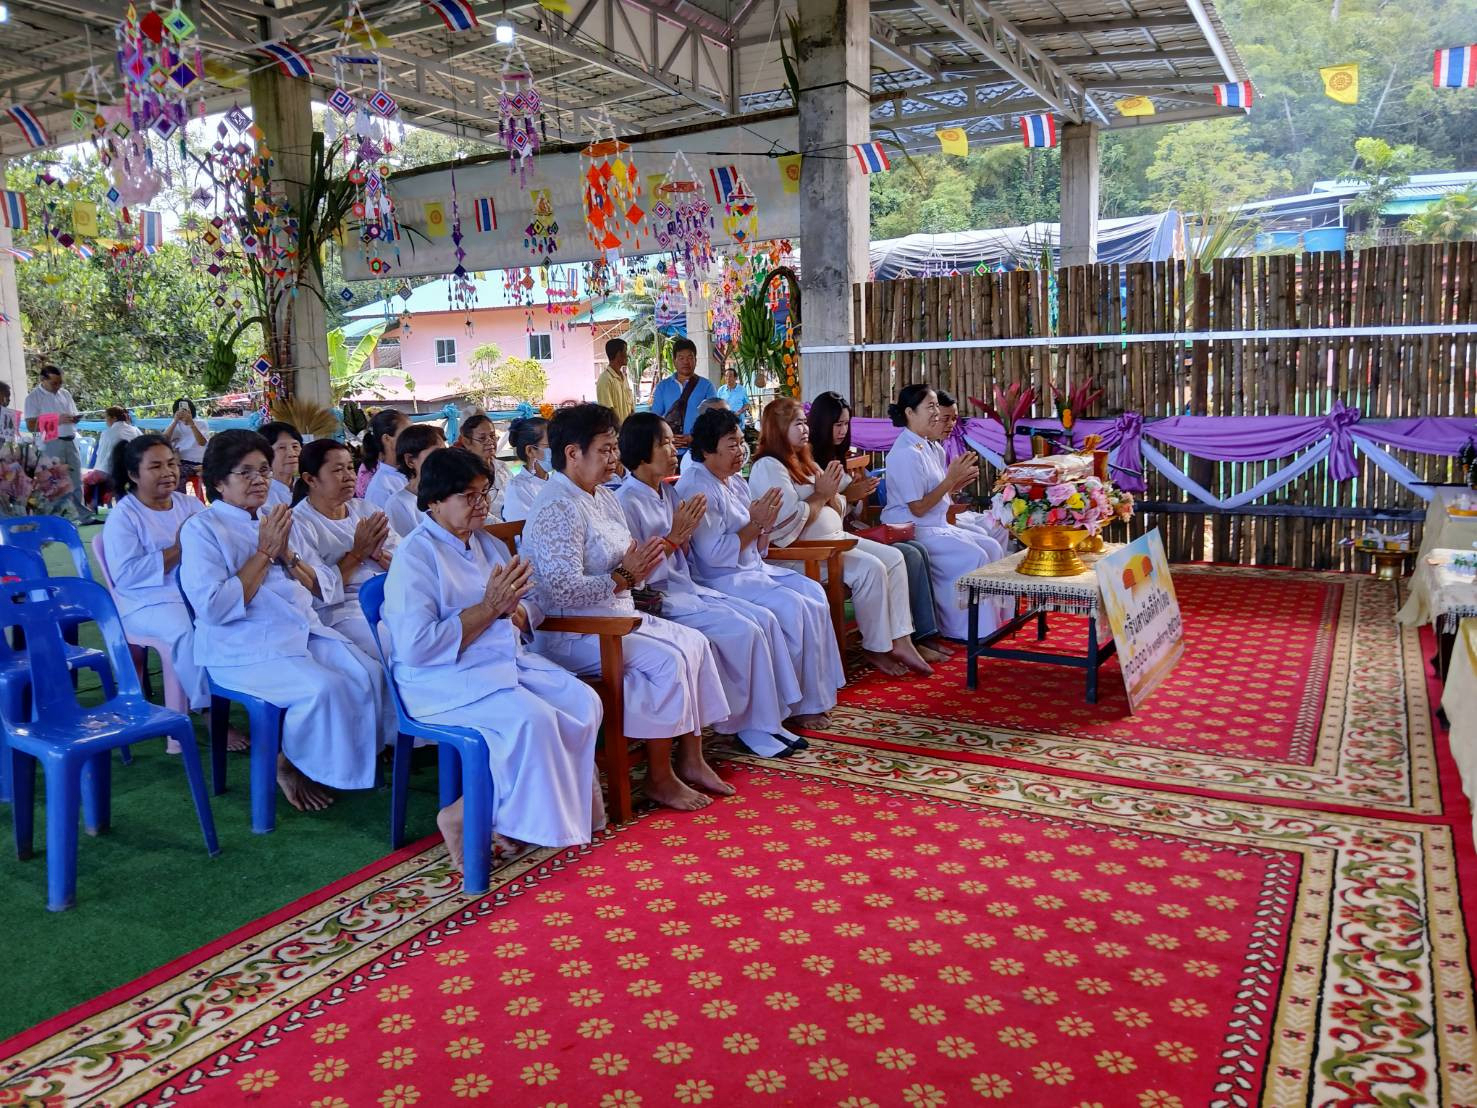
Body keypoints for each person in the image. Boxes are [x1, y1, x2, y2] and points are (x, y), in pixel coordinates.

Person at [383, 448, 604, 865]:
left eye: (484, 493)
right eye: (468, 496)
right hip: (440, 679)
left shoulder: (487, 542)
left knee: (583, 702)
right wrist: (488, 609)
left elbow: (527, 599)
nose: (481, 504)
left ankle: (536, 818)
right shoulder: (415, 556)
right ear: (433, 500)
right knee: (533, 723)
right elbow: (416, 646)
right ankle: (462, 815)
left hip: (498, 661)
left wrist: (519, 611)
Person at [523, 403, 733, 811]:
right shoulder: (556, 506)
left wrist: (648, 557)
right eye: (604, 450)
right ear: (572, 453)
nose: (614, 459)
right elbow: (561, 590)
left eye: (614, 448)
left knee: (694, 644)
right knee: (665, 662)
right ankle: (659, 777)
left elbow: (628, 559)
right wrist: (622, 577)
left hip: (615, 613)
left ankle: (691, 759)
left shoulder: (602, 496)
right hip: (572, 631)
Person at [179, 429, 394, 813]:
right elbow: (213, 608)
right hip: (243, 645)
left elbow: (305, 579)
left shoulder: (270, 518)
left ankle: (348, 759)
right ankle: (288, 762)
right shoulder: (202, 530)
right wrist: (265, 552)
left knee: (368, 673)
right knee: (323, 689)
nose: (259, 480)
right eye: (245, 473)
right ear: (218, 483)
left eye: (263, 470)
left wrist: (288, 558)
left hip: (297, 629)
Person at [616, 412, 807, 758]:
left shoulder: (667, 494)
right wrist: (674, 538)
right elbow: (637, 573)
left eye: (673, 442)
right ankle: (747, 727)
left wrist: (685, 537)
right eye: (665, 443)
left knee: (762, 620)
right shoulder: (627, 501)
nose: (675, 450)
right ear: (643, 452)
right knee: (743, 631)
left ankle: (769, 722)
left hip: (687, 588)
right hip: (658, 599)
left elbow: (684, 552)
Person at [676, 407, 844, 729]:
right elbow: (714, 555)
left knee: (812, 593)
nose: (741, 451)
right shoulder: (697, 486)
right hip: (719, 579)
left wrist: (763, 527)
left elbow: (757, 540)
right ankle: (795, 703)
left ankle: (814, 696)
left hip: (749, 569)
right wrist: (756, 525)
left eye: (742, 443)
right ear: (709, 449)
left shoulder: (734, 481)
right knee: (791, 606)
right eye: (732, 445)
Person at [749, 397, 932, 677]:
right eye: (797, 423)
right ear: (778, 429)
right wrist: (823, 494)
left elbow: (836, 501)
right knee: (871, 569)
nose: (805, 429)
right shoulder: (769, 466)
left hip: (833, 540)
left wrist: (835, 495)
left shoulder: (805, 461)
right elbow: (784, 522)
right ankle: (876, 647)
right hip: (803, 553)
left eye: (804, 422)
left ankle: (901, 640)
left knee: (894, 558)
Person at [100, 433, 245, 752]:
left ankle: (241, 690)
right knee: (186, 629)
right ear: (134, 475)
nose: (168, 472)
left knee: (234, 612)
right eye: (156, 466)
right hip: (142, 602)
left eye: (172, 464)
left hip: (190, 592)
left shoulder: (190, 505)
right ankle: (207, 711)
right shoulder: (124, 517)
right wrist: (178, 549)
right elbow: (126, 576)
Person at [809, 390, 951, 662]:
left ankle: (922, 634)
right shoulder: (810, 461)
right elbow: (819, 511)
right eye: (836, 424)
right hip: (831, 539)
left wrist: (859, 496)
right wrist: (847, 497)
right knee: (908, 553)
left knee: (916, 550)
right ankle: (903, 639)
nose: (842, 431)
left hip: (852, 529)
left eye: (846, 424)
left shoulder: (838, 456)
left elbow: (852, 508)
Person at [882, 384, 1007, 640]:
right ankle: (967, 630)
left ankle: (997, 622)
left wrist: (956, 483)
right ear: (909, 412)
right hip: (912, 530)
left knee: (993, 548)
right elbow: (917, 508)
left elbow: (937, 498)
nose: (937, 413)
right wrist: (951, 480)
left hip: (936, 525)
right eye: (930, 407)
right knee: (976, 556)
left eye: (936, 406)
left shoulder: (933, 448)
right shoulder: (903, 453)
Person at [289, 438, 395, 657]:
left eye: (350, 467)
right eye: (338, 470)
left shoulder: (366, 509)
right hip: (346, 612)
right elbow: (319, 588)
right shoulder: (298, 523)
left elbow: (403, 560)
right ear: (310, 479)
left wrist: (379, 553)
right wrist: (357, 554)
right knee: (394, 647)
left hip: (391, 596)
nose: (349, 476)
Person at [933, 389, 1012, 547]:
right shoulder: (912, 451)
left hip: (948, 511)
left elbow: (942, 493)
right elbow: (921, 505)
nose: (951, 424)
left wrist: (956, 486)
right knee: (987, 541)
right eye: (945, 419)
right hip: (936, 520)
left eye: (954, 419)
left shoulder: (937, 448)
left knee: (1000, 525)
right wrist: (951, 483)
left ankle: (995, 570)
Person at [23, 364, 89, 519]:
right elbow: (31, 425)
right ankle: (58, 516)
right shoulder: (33, 398)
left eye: (60, 383)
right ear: (42, 380)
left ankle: (81, 515)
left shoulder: (64, 394)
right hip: (51, 442)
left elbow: (73, 413)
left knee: (75, 480)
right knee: (55, 482)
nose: (58, 386)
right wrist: (56, 420)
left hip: (70, 438)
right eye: (54, 383)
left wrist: (74, 418)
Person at [649, 338, 716, 450]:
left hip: (698, 450)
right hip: (669, 450)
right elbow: (655, 419)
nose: (686, 362)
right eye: (681, 358)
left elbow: (714, 419)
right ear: (674, 361)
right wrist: (667, 437)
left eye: (690, 357)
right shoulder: (663, 386)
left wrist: (694, 437)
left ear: (696, 360)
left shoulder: (707, 386)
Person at [385, 424, 446, 538]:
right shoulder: (397, 505)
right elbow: (411, 549)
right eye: (435, 455)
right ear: (410, 461)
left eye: (445, 453)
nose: (444, 460)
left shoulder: (449, 492)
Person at [454, 412, 513, 517]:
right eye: (482, 438)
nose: (490, 441)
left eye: (492, 436)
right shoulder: (462, 475)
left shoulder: (502, 467)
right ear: (467, 442)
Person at [83, 406, 140, 511]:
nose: (106, 421)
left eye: (106, 418)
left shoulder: (107, 433)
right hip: (132, 470)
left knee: (87, 479)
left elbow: (100, 455)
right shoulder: (135, 430)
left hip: (109, 472)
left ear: (113, 418)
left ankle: (91, 508)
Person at [500, 416, 549, 523]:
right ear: (530, 451)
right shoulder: (517, 488)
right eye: (551, 445)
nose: (558, 449)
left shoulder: (556, 480)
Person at [361, 408, 411, 508]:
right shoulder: (380, 489)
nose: (413, 439)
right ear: (387, 439)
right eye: (407, 434)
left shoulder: (410, 473)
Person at [258, 420, 303, 508]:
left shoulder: (309, 487)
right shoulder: (261, 495)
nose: (292, 453)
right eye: (281, 448)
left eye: (295, 446)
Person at [166, 398, 210, 481]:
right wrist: (175, 421)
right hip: (178, 461)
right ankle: (175, 494)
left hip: (195, 462)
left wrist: (191, 423)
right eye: (179, 410)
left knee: (177, 473)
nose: (183, 412)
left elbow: (202, 442)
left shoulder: (201, 423)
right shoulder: (175, 424)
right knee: (168, 472)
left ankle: (180, 494)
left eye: (185, 409)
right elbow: (164, 439)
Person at [595, 338, 636, 425]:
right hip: (617, 434)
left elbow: (631, 407)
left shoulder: (624, 378)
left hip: (627, 431)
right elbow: (607, 412)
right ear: (618, 354)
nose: (627, 355)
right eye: (625, 351)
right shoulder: (605, 380)